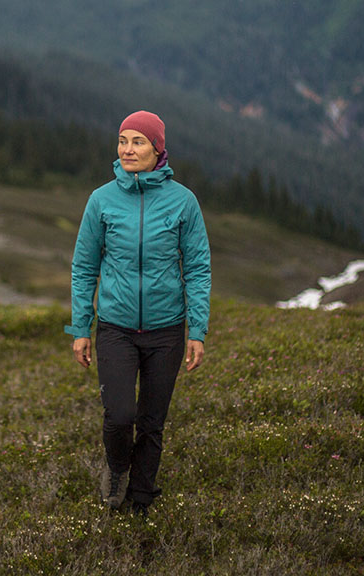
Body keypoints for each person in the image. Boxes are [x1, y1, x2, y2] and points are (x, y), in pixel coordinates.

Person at [66, 110, 211, 516]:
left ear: (157, 148)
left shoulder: (184, 202)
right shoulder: (101, 200)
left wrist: (196, 330)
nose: (127, 149)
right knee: (119, 416)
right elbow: (84, 266)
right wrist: (81, 328)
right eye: (123, 140)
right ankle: (116, 469)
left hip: (167, 330)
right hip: (115, 328)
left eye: (138, 141)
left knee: (151, 421)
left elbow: (198, 268)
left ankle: (141, 499)